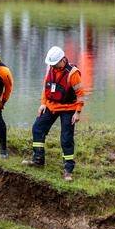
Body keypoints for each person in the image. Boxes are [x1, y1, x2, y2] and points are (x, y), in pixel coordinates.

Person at [23, 46, 86, 181]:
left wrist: (78, 112)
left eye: (55, 64)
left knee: (66, 138)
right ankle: (38, 160)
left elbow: (80, 94)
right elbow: (46, 88)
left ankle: (68, 170)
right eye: (51, 64)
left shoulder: (73, 74)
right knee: (37, 128)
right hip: (51, 106)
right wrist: (43, 104)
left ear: (63, 60)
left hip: (69, 108)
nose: (53, 67)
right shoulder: (51, 68)